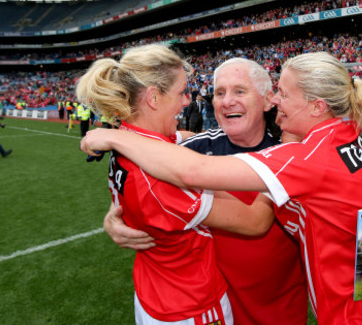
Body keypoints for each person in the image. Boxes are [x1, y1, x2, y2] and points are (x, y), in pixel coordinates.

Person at [82, 52, 362, 324]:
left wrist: (116, 135)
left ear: (266, 101)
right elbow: (149, 172)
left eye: (240, 91)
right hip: (221, 304)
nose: (225, 100)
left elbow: (193, 174)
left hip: (288, 311)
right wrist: (119, 217)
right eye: (219, 92)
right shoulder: (193, 146)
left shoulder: (298, 150)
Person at [77, 44, 283, 325]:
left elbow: (174, 144)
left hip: (158, 295)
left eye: (239, 91)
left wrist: (114, 138)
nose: (188, 101)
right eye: (181, 92)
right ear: (153, 98)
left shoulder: (139, 143)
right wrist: (283, 166)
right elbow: (255, 221)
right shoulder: (165, 173)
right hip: (191, 305)